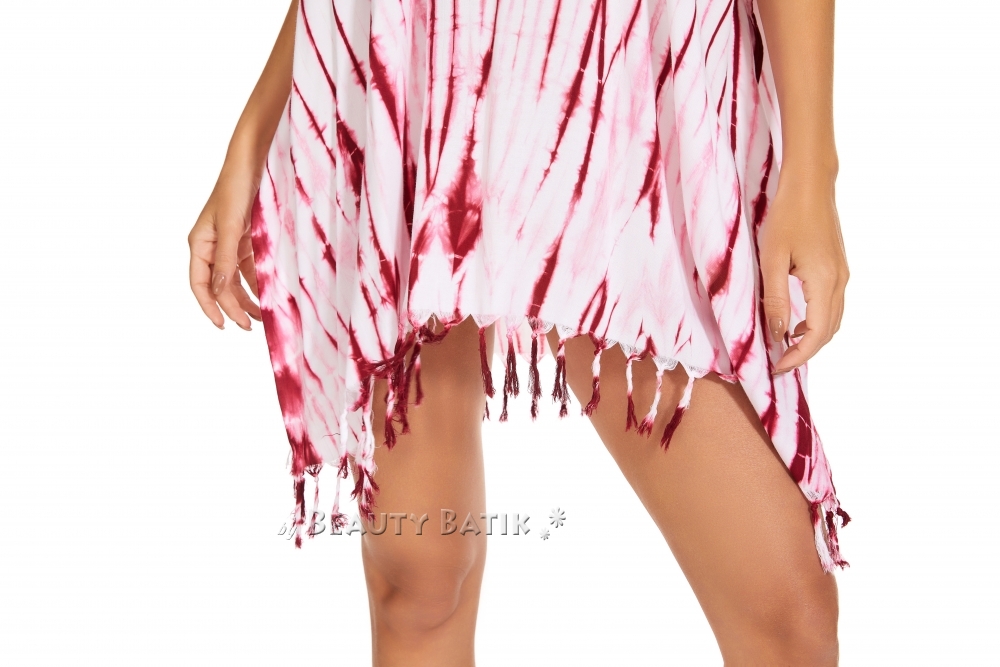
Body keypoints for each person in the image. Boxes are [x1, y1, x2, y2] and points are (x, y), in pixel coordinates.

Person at [188, 0, 850, 663]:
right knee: (417, 583)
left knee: (787, 615)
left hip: (620, 71)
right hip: (415, 56)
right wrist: (255, 132)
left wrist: (812, 170)